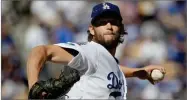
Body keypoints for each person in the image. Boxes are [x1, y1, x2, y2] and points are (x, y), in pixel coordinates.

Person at [27, 2, 166, 99]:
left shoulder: (103, 60)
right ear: (92, 30)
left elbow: (108, 68)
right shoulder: (89, 51)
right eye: (102, 23)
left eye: (113, 22)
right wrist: (34, 87)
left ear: (121, 29)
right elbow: (39, 51)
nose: (109, 26)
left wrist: (138, 72)